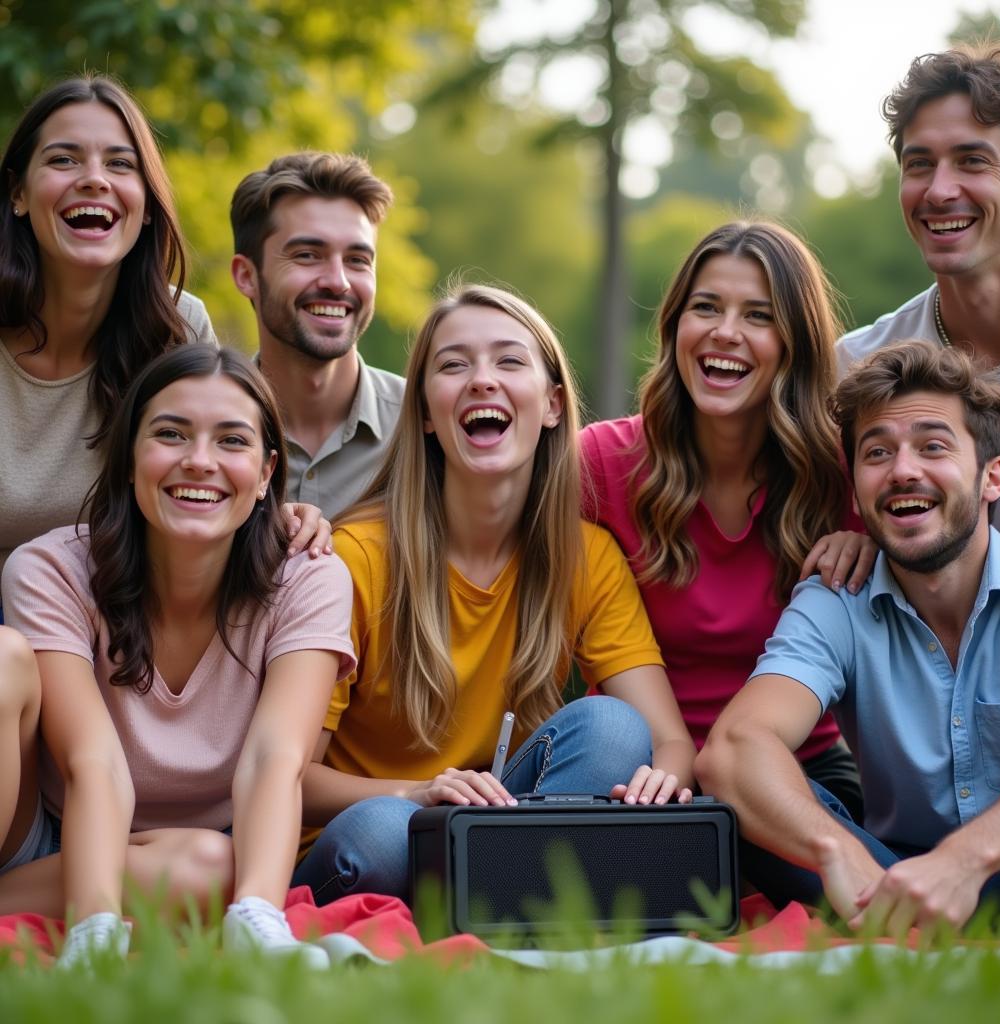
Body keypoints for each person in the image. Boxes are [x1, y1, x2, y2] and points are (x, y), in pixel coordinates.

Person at [294, 284, 697, 905]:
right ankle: (528, 896)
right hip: (378, 827)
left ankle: (494, 896)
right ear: (426, 412)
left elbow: (668, 739)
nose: (482, 380)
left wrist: (656, 783)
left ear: (554, 404)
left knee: (614, 730)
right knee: (381, 837)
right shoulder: (356, 556)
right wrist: (419, 792)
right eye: (454, 365)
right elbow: (291, 777)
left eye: (509, 361)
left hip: (498, 815)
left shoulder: (586, 556)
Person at [0, 346, 354, 967]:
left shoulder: (309, 578)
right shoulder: (50, 568)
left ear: (268, 471)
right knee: (2, 658)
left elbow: (277, 758)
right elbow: (92, 761)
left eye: (232, 441)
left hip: (189, 849)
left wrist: (258, 914)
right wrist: (95, 927)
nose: (199, 462)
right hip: (43, 826)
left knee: (214, 867)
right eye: (170, 434)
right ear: (130, 454)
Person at [696, 341, 1000, 934]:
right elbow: (735, 749)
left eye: (933, 446)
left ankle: (910, 923)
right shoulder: (837, 598)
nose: (903, 470)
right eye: (878, 452)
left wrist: (963, 862)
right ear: (855, 490)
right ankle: (903, 916)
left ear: (992, 477)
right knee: (742, 807)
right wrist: (836, 851)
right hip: (883, 872)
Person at [581, 222, 868, 821]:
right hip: (635, 772)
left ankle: (896, 897)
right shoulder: (600, 463)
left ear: (797, 342)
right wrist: (329, 519)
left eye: (759, 316)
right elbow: (477, 517)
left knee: (802, 842)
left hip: (795, 766)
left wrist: (873, 548)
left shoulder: (843, 474)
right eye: (705, 307)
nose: (725, 333)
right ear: (674, 327)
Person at [0, 77, 327, 588]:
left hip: (111, 620)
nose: (94, 180)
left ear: (148, 205)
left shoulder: (178, 327)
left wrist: (281, 517)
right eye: (64, 160)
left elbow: (214, 474)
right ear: (18, 193)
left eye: (120, 164)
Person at [838, 43, 1000, 533]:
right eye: (919, 164)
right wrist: (852, 543)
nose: (939, 191)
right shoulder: (852, 369)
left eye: (972, 161)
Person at [230, 152, 405, 521]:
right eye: (308, 255)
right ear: (246, 276)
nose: (338, 282)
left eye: (358, 260)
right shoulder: (201, 431)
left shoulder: (425, 428)